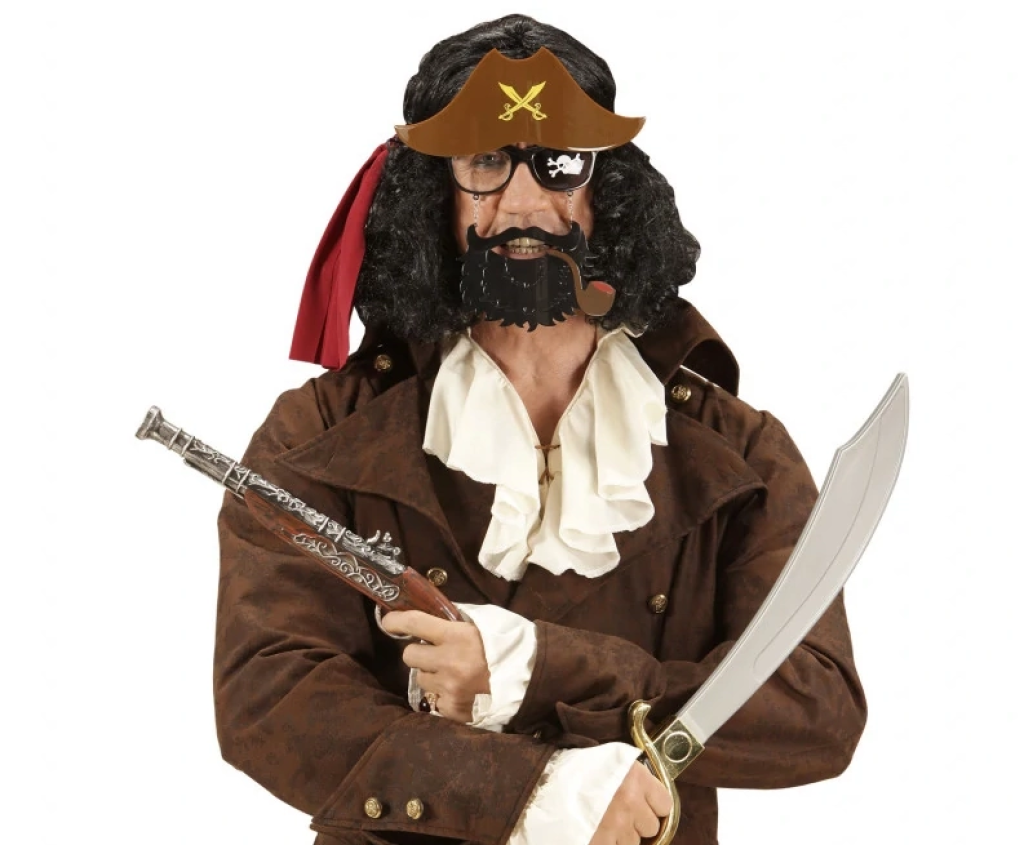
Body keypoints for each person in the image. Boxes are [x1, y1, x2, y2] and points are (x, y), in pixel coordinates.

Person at [214, 14, 866, 845]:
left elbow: (815, 708)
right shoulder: (319, 432)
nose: (523, 203)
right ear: (434, 194)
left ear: (607, 191)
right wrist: (524, 790)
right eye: (485, 163)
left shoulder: (736, 450)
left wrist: (539, 667)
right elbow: (270, 699)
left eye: (559, 164)